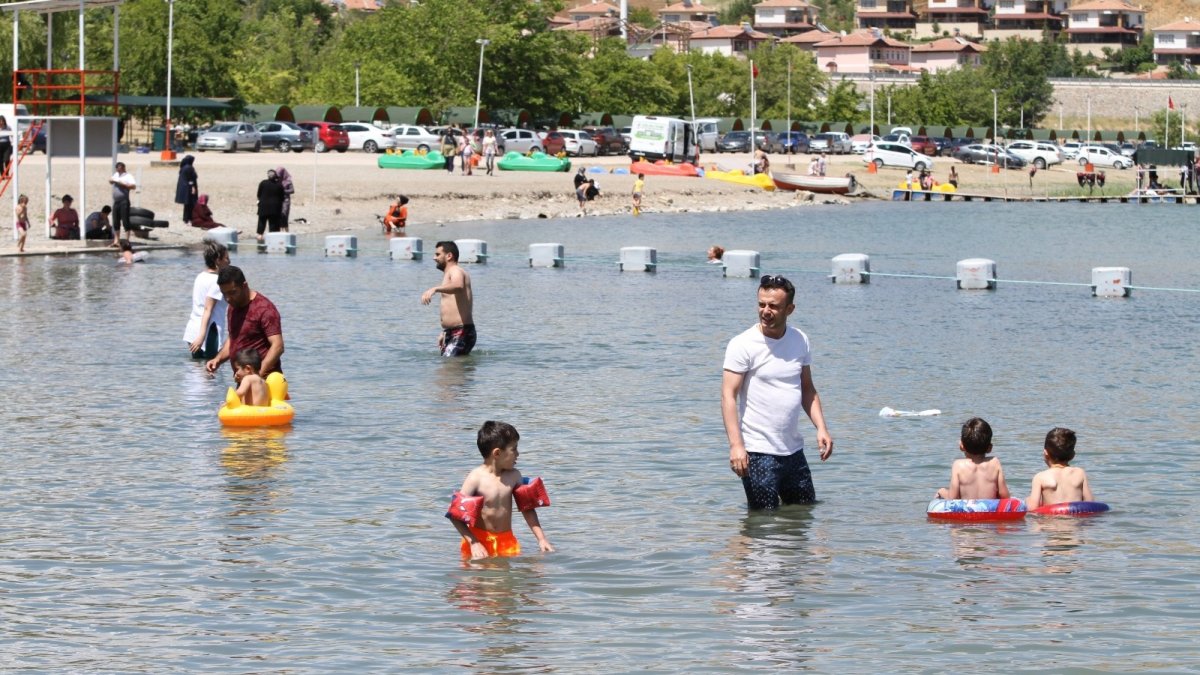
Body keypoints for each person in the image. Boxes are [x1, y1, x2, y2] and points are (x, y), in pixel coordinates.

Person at [721, 274, 833, 509]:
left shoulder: (800, 339)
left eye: (774, 306)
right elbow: (728, 396)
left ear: (789, 309)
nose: (766, 311)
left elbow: (807, 389)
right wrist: (736, 446)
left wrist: (821, 427)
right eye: (761, 304)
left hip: (793, 451)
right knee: (762, 523)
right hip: (757, 452)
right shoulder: (742, 344)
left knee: (803, 516)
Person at [451, 420, 554, 560]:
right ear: (497, 453)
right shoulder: (475, 478)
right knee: (477, 581)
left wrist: (542, 539)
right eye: (514, 449)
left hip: (507, 541)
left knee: (506, 580)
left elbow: (528, 509)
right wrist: (473, 542)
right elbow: (456, 516)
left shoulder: (514, 476)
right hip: (478, 541)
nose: (518, 454)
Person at [205, 265, 285, 377]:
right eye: (224, 294)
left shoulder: (265, 309)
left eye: (232, 292)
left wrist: (258, 374)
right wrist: (218, 359)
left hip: (266, 383)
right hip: (243, 382)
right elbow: (233, 339)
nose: (228, 298)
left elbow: (278, 346)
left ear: (244, 286)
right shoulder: (232, 307)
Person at [420, 240, 475, 357]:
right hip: (453, 332)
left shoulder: (456, 270)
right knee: (447, 372)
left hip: (461, 332)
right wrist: (445, 332)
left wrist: (435, 289)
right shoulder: (449, 274)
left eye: (438, 254)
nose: (434, 258)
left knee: (451, 370)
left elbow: (458, 286)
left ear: (449, 256)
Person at [934, 417, 1011, 500]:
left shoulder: (958, 465)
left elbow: (953, 498)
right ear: (990, 448)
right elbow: (1005, 496)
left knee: (941, 492)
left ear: (961, 446)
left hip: (967, 512)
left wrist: (942, 492)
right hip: (989, 511)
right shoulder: (994, 462)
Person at [183, 240, 230, 360]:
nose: (229, 261)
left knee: (197, 372)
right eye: (226, 258)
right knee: (210, 370)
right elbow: (208, 309)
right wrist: (201, 337)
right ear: (217, 260)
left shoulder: (200, 276)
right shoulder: (216, 281)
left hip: (193, 328)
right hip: (208, 332)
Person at [1027, 427, 1095, 509]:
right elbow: (1090, 503)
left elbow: (1033, 508)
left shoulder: (1040, 477)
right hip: (1076, 520)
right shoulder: (1079, 473)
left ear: (1045, 453)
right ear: (1073, 455)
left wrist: (1028, 501)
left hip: (1051, 520)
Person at [255, 168, 286, 243]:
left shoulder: (263, 183)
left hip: (263, 207)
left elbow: (258, 194)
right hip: (275, 209)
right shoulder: (279, 185)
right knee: (273, 227)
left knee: (261, 224)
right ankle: (273, 242)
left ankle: (259, 240)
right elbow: (282, 197)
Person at [109, 161, 136, 245]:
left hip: (124, 200)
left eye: (120, 169)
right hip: (116, 201)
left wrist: (122, 184)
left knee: (125, 220)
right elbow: (111, 180)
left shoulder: (128, 176)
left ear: (123, 168)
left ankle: (127, 240)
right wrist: (112, 181)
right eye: (117, 169)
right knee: (115, 221)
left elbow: (133, 186)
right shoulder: (116, 175)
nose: (118, 171)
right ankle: (116, 240)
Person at [174, 154, 198, 225]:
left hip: (184, 188)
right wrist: (193, 187)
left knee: (187, 204)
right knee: (191, 204)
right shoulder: (189, 168)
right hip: (188, 188)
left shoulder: (183, 167)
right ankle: (189, 218)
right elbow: (191, 179)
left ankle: (185, 219)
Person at [276, 166, 295, 230]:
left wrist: (283, 191)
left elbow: (292, 190)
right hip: (277, 200)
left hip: (286, 201)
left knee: (284, 216)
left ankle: (286, 232)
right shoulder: (276, 180)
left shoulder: (288, 181)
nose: (278, 176)